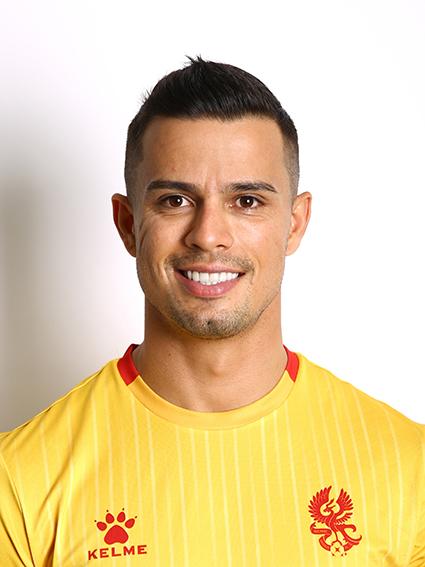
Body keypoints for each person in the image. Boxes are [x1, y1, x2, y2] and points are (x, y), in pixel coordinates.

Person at [0, 57, 423, 566]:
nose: (208, 235)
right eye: (176, 200)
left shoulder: (410, 470)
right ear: (128, 223)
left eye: (247, 201)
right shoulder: (18, 482)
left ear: (294, 223)